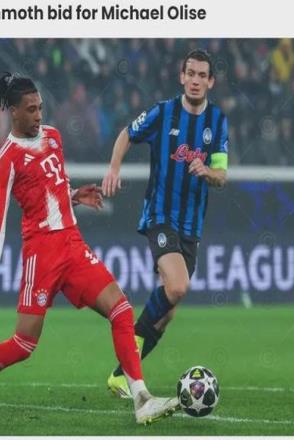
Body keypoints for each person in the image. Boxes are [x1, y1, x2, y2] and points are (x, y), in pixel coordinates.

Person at [0, 73, 179, 425]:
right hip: (41, 254)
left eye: (40, 108)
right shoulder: (7, 159)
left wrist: (73, 196)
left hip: (72, 244)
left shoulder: (53, 136)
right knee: (25, 344)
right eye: (31, 110)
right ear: (13, 112)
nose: (39, 115)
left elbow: (50, 189)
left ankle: (141, 398)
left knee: (121, 310)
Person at [102, 49, 229, 398]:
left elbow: (221, 175)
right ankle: (128, 360)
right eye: (191, 73)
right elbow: (127, 133)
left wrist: (207, 171)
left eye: (202, 75)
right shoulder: (163, 112)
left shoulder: (217, 121)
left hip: (191, 227)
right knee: (177, 287)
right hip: (159, 215)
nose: (195, 80)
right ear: (181, 76)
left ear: (210, 81)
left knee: (167, 313)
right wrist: (113, 168)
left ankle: (121, 376)